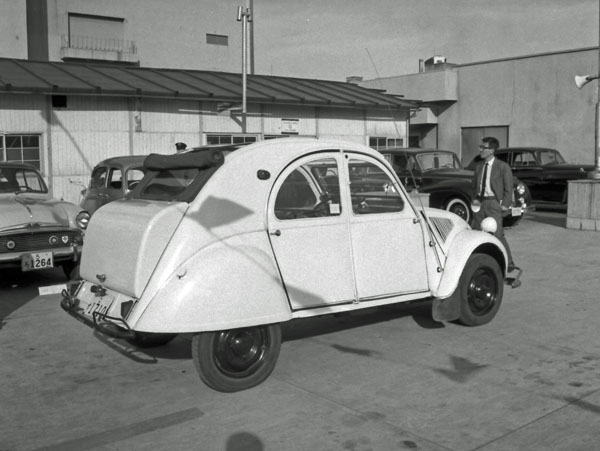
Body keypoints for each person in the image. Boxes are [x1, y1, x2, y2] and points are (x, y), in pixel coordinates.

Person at [472, 136, 516, 271]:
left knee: (497, 234)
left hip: (493, 204)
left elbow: (509, 188)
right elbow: (474, 185)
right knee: (478, 232)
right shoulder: (479, 166)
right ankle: (482, 261)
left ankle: (508, 263)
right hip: (479, 203)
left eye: (483, 147)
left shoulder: (502, 167)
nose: (480, 150)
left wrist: (504, 205)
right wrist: (473, 200)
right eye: (481, 147)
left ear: (491, 150)